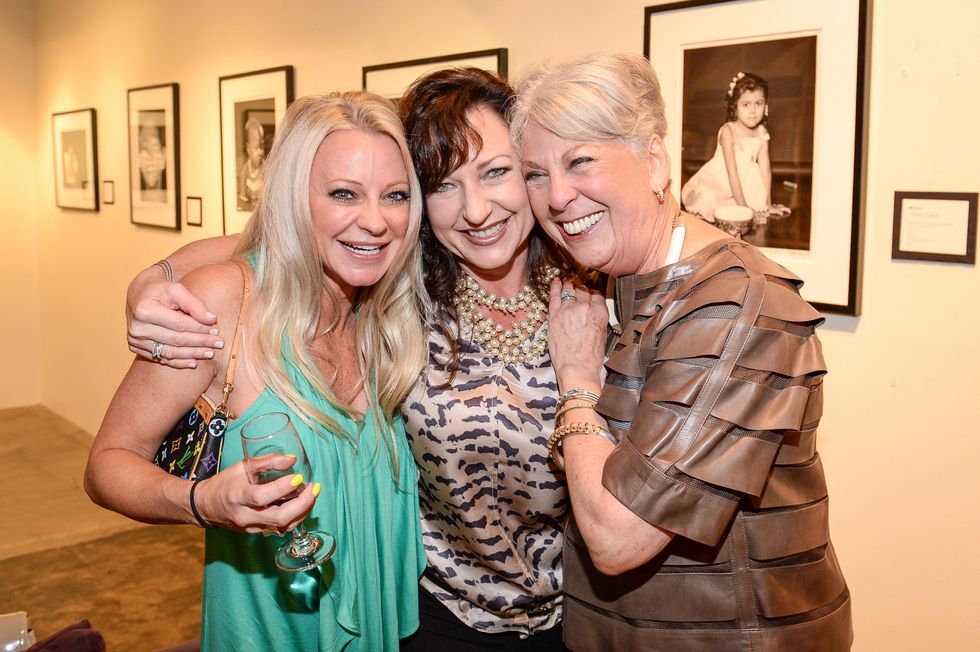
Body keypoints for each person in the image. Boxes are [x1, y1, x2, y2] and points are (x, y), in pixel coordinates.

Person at [123, 68, 576, 650]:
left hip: (561, 618)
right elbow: (269, 241)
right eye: (442, 185)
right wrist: (150, 279)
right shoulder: (412, 286)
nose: (477, 209)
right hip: (436, 616)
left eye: (496, 172)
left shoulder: (581, 286)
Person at [510, 52, 852, 651]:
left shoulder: (735, 301)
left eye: (581, 160)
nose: (557, 196)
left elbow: (618, 539)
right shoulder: (617, 278)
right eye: (535, 173)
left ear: (654, 159)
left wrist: (576, 382)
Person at [85, 91, 429, 651]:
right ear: (295, 200)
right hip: (273, 631)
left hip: (395, 628)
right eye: (344, 193)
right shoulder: (225, 302)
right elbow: (106, 466)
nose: (375, 221)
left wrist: (156, 268)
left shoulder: (392, 308)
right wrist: (202, 502)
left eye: (394, 196)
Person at [681, 72, 789, 223]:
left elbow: (765, 169)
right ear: (735, 106)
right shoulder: (728, 131)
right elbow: (732, 173)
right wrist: (744, 209)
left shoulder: (761, 131)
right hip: (720, 184)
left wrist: (767, 204)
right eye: (746, 104)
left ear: (765, 105)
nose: (753, 110)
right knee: (711, 204)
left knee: (755, 170)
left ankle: (745, 208)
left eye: (758, 103)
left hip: (744, 187)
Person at [238, 117, 265, 210]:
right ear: (248, 149)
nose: (260, 152)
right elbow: (242, 201)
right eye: (257, 148)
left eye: (262, 147)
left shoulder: (266, 169)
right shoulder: (245, 170)